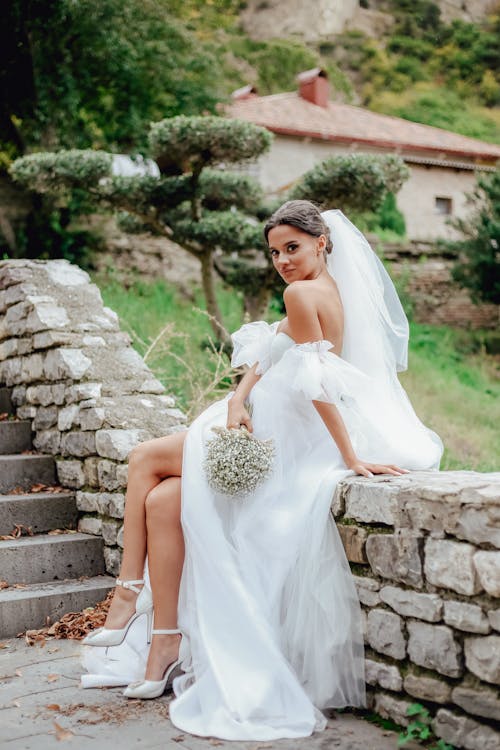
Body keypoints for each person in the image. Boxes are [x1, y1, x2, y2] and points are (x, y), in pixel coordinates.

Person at [80, 201, 443, 741]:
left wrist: (349, 458)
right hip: (274, 421)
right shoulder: (330, 290)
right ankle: (165, 643)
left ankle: (125, 598)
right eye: (274, 252)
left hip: (282, 430)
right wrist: (238, 397)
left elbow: (317, 385)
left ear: (322, 242)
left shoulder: (301, 293)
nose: (282, 261)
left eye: (292, 248)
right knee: (163, 502)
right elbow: (280, 350)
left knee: (142, 459)